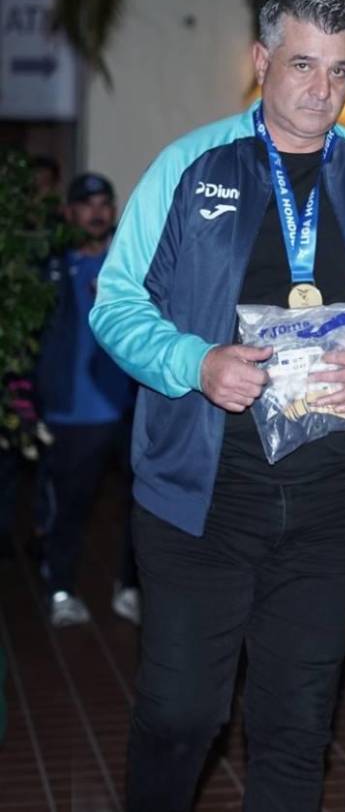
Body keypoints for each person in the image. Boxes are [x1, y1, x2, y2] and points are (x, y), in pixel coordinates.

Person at [89, 0, 345, 810]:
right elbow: (115, 302)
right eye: (302, 65)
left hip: (332, 507)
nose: (323, 89)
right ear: (261, 62)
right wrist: (194, 363)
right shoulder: (190, 167)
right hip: (202, 503)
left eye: (340, 70)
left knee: (296, 730)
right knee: (182, 716)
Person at [35, 172, 139, 627]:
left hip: (130, 409)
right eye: (86, 204)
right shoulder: (48, 270)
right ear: (69, 212)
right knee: (69, 508)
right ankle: (60, 590)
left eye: (104, 204)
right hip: (73, 413)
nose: (96, 213)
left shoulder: (130, 265)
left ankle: (130, 586)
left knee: (142, 507)